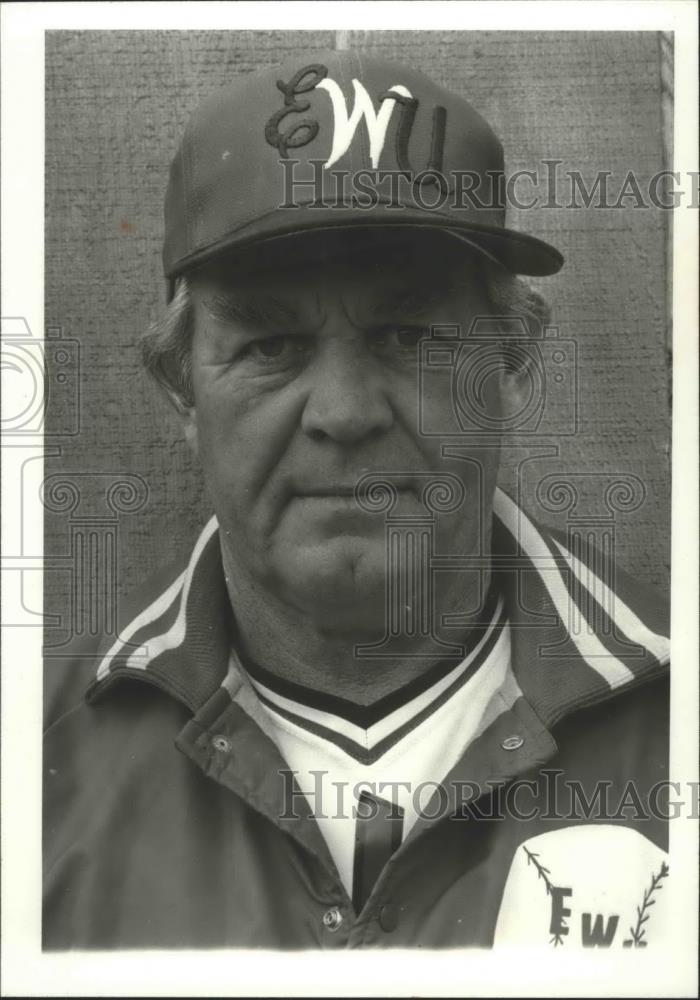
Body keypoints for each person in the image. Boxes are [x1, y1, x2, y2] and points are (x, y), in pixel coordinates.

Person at [43, 50, 670, 950]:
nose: (342, 413)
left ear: (513, 367)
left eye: (410, 334)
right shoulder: (35, 761)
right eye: (270, 344)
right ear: (182, 387)